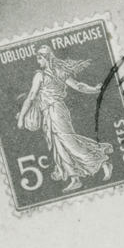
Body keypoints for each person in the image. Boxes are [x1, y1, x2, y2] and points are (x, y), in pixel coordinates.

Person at [17, 46, 113, 192]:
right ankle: (74, 178)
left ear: (47, 57)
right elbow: (78, 86)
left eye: (40, 57)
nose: (38, 61)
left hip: (56, 111)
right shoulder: (51, 73)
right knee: (59, 145)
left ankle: (103, 162)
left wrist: (95, 89)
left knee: (70, 143)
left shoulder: (43, 75)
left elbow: (78, 86)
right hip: (49, 113)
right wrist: (94, 89)